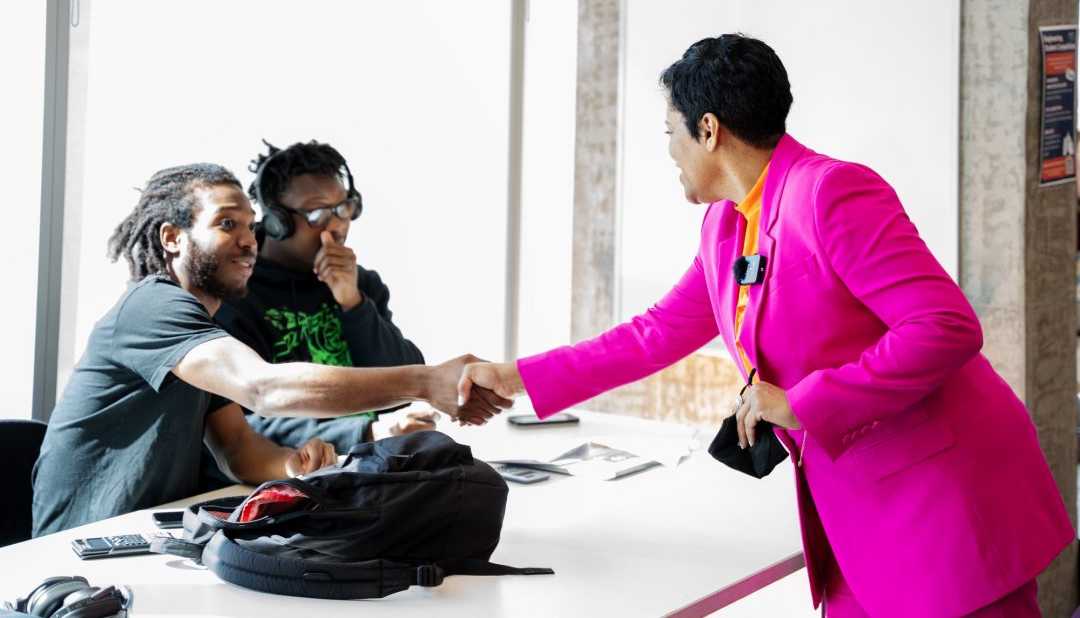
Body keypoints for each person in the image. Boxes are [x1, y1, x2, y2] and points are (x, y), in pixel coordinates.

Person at [458, 35, 1073, 617]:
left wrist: (805, 402)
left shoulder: (832, 192)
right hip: (860, 520)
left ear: (709, 130)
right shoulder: (725, 227)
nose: (669, 152)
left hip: (943, 511)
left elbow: (944, 326)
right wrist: (511, 377)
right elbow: (654, 334)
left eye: (670, 133)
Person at [33, 164, 504, 536]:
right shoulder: (152, 306)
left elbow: (237, 447)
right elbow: (263, 388)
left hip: (146, 540)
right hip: (75, 555)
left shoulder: (201, 330)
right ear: (172, 238)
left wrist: (291, 464)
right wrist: (424, 383)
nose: (247, 240)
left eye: (251, 226)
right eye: (226, 223)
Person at [214, 140, 432, 454]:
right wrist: (366, 431)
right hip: (288, 477)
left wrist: (353, 303)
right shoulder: (235, 297)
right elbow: (239, 427)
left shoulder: (362, 284)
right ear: (277, 222)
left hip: (371, 466)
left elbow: (407, 383)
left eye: (344, 207)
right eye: (317, 213)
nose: (338, 225)